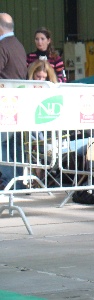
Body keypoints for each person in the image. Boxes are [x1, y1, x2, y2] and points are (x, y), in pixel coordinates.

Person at [0, 13, 27, 190]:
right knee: (15, 144)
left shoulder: (2, 46)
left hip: (4, 102)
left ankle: (6, 180)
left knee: (3, 143)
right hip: (19, 101)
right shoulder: (19, 46)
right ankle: (17, 180)